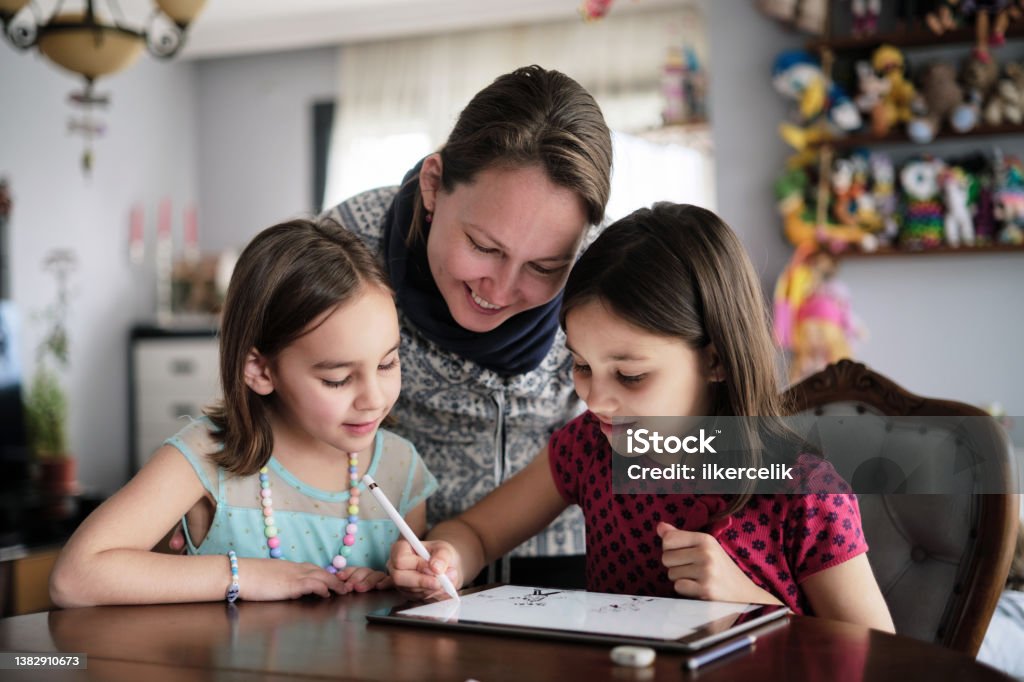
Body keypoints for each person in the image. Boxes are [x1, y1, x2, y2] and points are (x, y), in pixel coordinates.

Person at [389, 203, 896, 631]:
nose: (597, 401)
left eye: (630, 376)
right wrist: (448, 558)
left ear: (715, 359)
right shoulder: (590, 447)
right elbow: (477, 533)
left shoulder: (804, 492)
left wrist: (753, 603)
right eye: (582, 366)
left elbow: (881, 660)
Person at [321, 64, 614, 586]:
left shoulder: (611, 268)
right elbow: (269, 405)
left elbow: (710, 436)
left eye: (545, 268)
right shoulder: (344, 248)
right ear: (434, 187)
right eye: (483, 247)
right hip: (387, 555)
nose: (499, 292)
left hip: (577, 557)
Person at [50, 219, 437, 607]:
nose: (373, 398)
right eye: (337, 379)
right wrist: (243, 574)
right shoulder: (204, 457)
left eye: (387, 364)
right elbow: (74, 577)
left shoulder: (400, 468)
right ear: (260, 370)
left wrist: (391, 583)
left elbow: (407, 607)